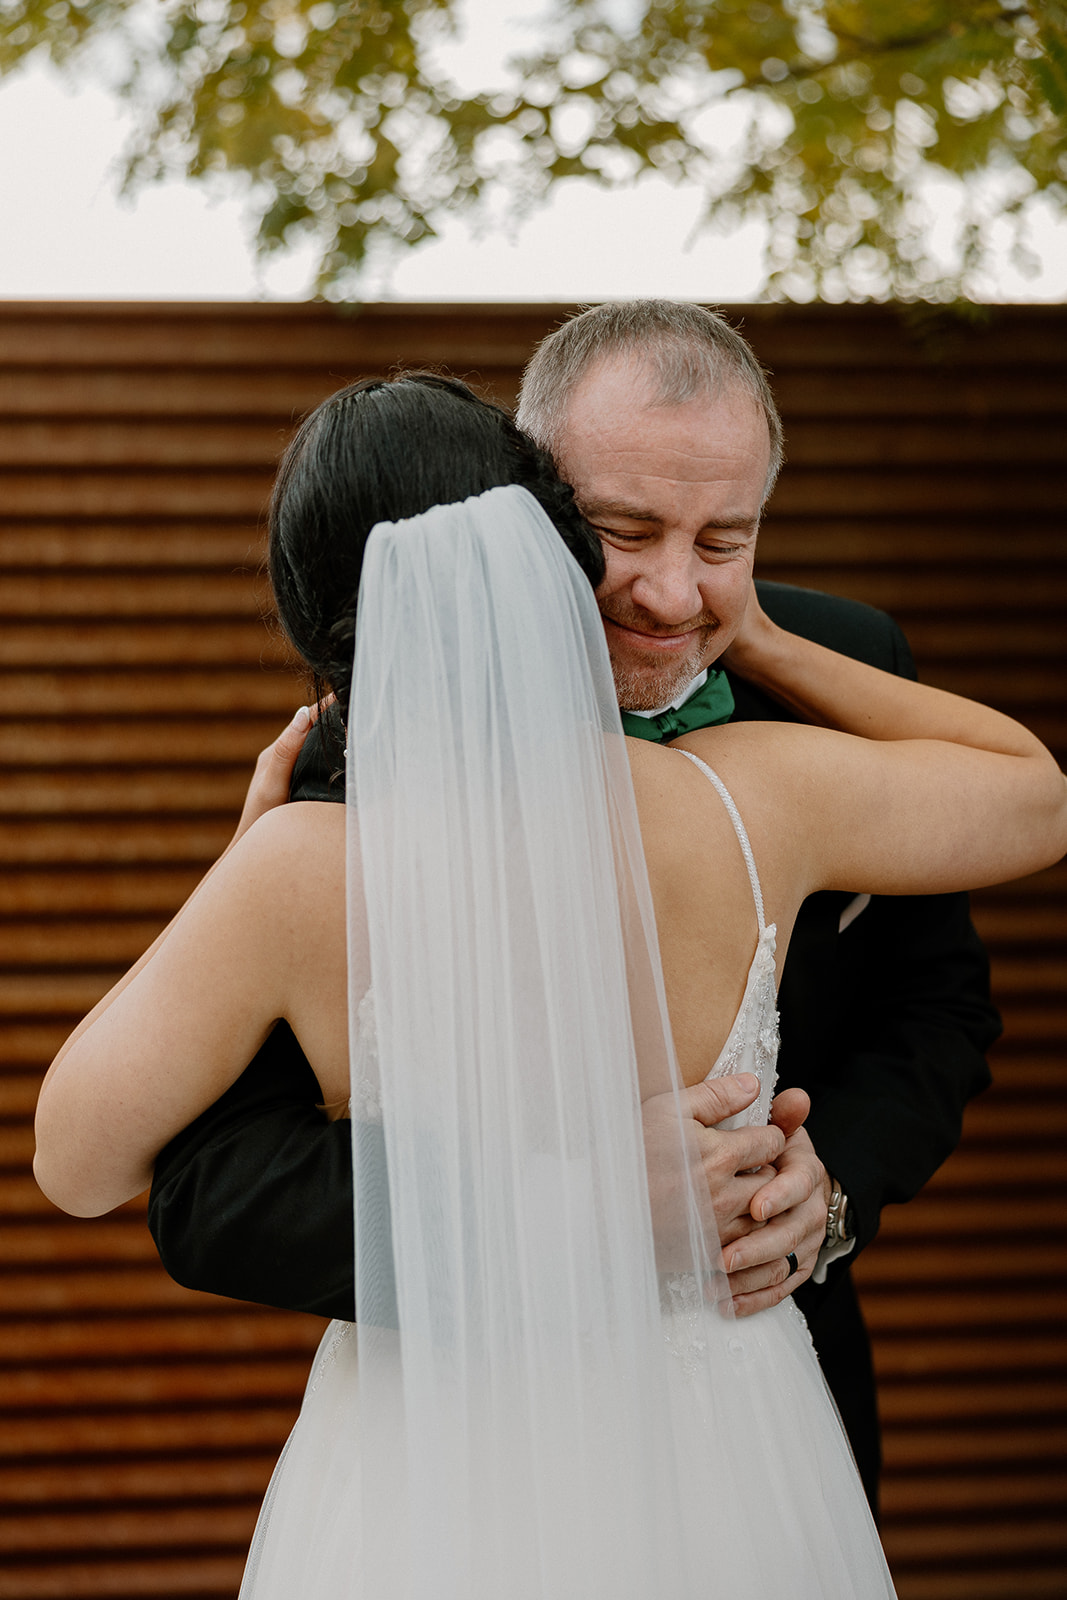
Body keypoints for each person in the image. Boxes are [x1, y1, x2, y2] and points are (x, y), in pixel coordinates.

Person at [146, 301, 999, 1509]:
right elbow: (209, 1187)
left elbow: (937, 1006)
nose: (666, 594)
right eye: (622, 529)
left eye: (724, 540)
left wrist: (832, 1187)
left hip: (764, 1402)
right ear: (527, 504)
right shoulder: (358, 745)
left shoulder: (850, 668)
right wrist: (563, 1217)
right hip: (469, 1440)